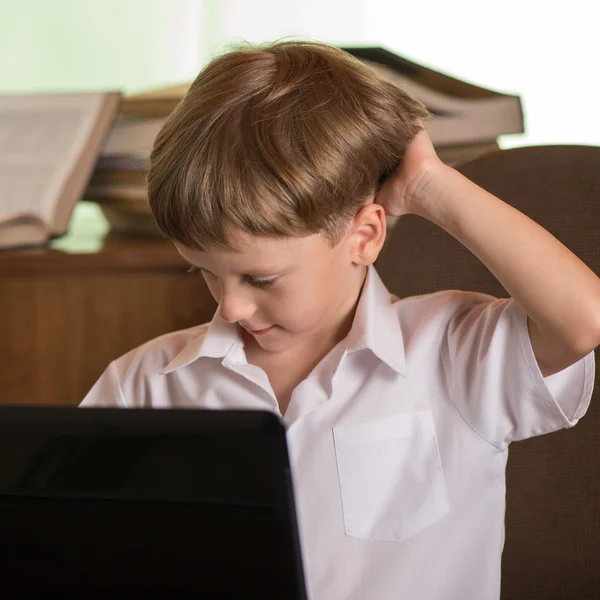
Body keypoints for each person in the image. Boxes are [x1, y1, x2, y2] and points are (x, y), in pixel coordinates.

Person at [80, 41, 599, 600]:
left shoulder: (453, 352)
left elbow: (581, 320)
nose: (230, 308)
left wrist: (431, 185)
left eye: (261, 280)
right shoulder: (142, 385)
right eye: (203, 271)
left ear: (365, 235)